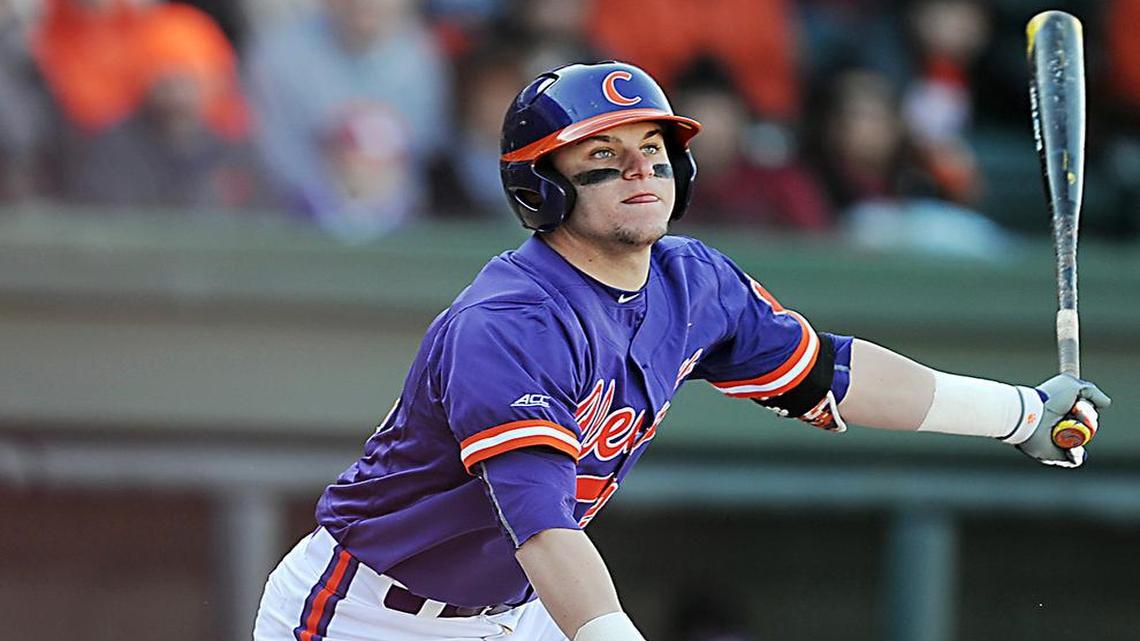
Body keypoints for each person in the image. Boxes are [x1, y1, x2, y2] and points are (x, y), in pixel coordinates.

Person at [252, 61, 1109, 641]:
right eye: (606, 156)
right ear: (541, 187)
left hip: (518, 611)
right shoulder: (510, 320)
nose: (643, 171)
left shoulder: (692, 281)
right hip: (371, 613)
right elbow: (543, 530)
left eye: (655, 152)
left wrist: (1019, 413)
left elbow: (830, 373)